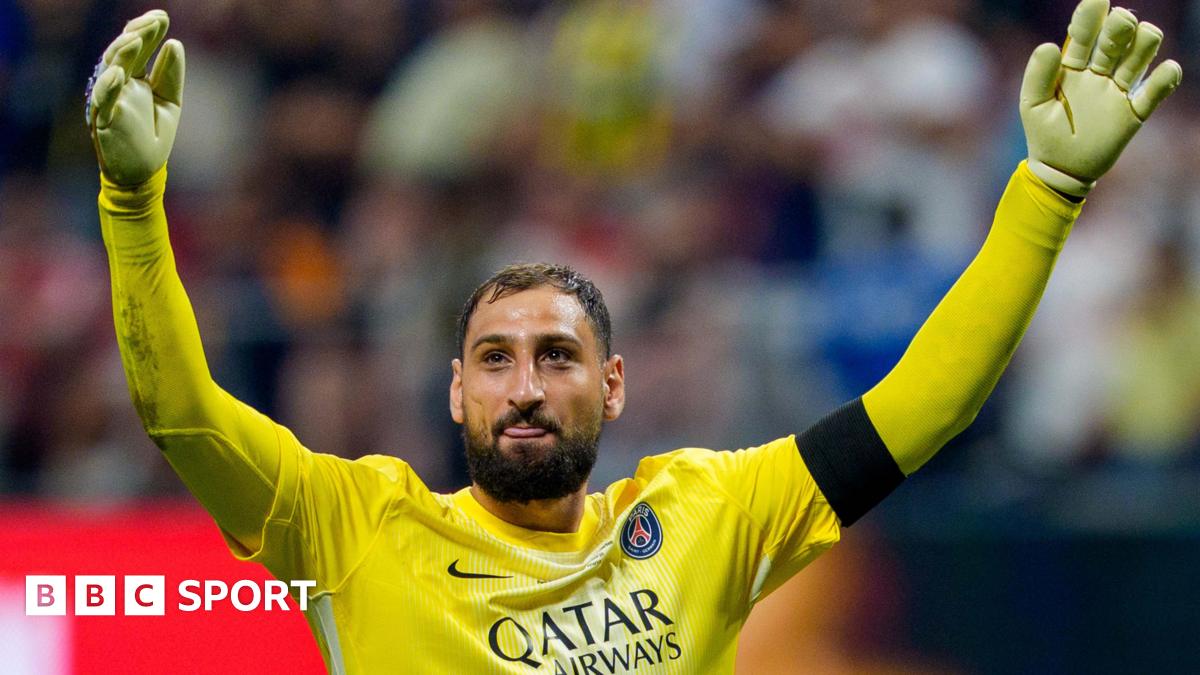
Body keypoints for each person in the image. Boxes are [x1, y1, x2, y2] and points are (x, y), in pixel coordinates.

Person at [87, 2, 1180, 672]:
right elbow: (179, 413)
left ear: (612, 388)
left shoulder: (706, 513)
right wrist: (134, 208)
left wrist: (1044, 188)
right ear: (456, 393)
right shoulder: (357, 526)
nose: (524, 385)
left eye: (556, 357)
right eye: (496, 359)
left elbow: (921, 408)